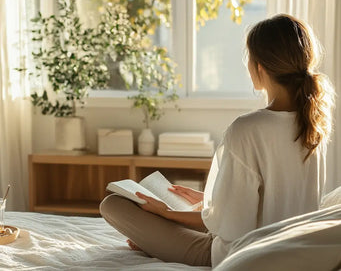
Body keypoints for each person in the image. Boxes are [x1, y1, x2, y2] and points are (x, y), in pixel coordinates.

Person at [99, 14, 335, 267]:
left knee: (113, 205)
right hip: (289, 245)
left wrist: (166, 213)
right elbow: (274, 199)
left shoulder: (247, 129)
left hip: (238, 252)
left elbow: (228, 226)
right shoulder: (315, 123)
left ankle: (151, 241)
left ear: (259, 67)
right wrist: (206, 199)